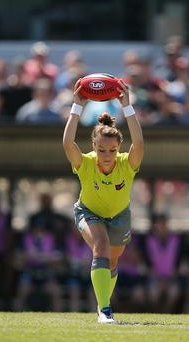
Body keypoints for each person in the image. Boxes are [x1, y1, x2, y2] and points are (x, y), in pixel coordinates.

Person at [62, 79, 143, 323]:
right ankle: (105, 311)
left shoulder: (126, 164)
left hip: (119, 216)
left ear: (119, 148)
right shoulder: (85, 163)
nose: (106, 155)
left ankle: (103, 304)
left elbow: (138, 143)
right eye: (101, 149)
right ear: (93, 146)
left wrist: (127, 106)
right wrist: (77, 106)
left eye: (111, 150)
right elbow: (68, 144)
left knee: (113, 261)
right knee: (101, 246)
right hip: (88, 212)